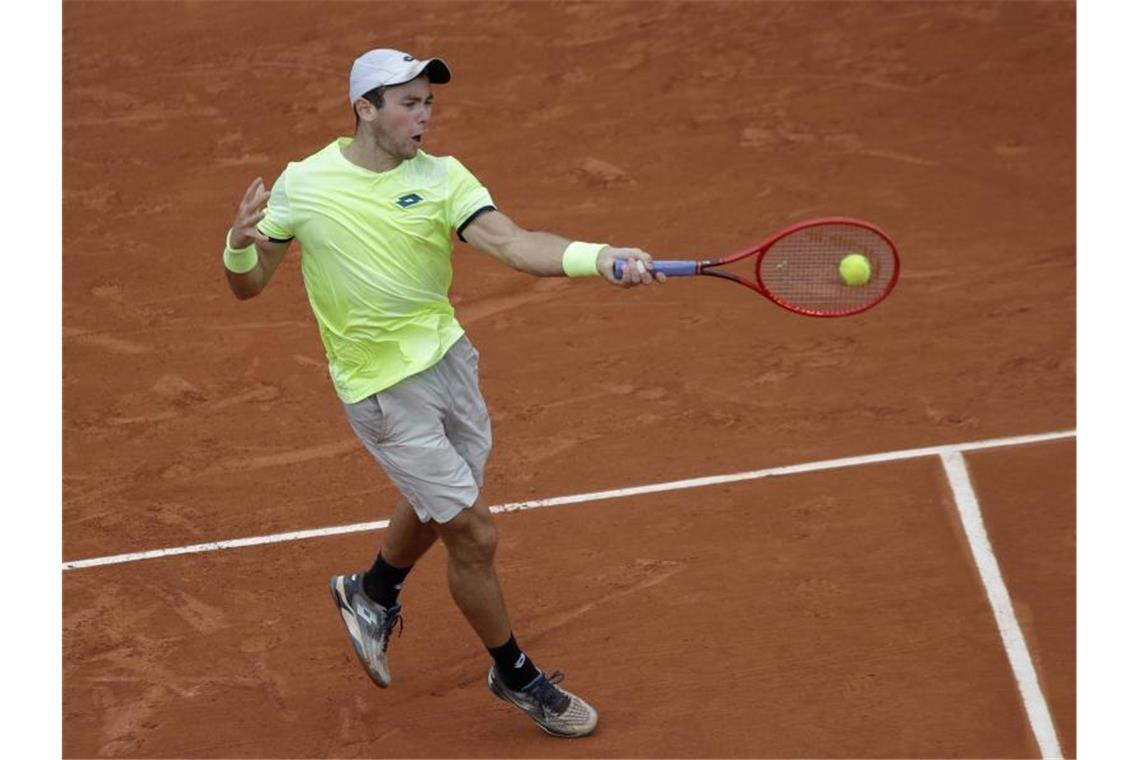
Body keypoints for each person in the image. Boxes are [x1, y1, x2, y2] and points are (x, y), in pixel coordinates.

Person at [221, 48, 664, 738]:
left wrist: (599, 257)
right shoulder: (303, 184)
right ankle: (514, 673)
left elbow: (515, 245)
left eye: (429, 102)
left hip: (449, 365)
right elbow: (247, 286)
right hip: (379, 388)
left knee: (440, 499)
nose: (425, 116)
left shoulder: (444, 178)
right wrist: (238, 245)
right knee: (472, 531)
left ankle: (371, 592)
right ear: (366, 109)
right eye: (409, 102)